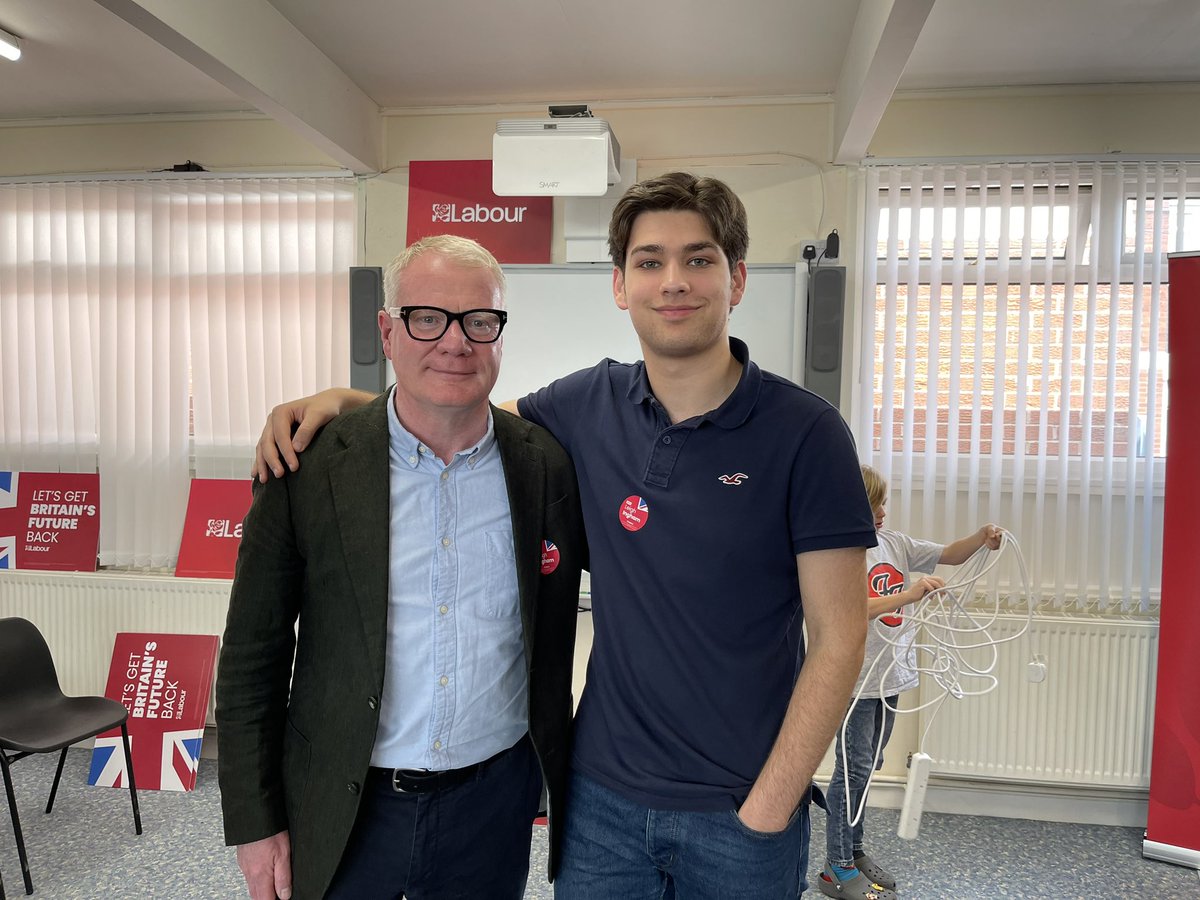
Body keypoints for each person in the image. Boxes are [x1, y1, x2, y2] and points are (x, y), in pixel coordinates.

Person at [253, 172, 877, 899]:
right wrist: (346, 402)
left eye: (698, 259)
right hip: (601, 805)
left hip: (741, 812)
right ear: (620, 284)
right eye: (649, 262)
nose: (673, 281)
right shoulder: (585, 403)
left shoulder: (807, 434)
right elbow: (457, 416)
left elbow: (840, 638)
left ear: (736, 279)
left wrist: (769, 807)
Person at [215, 235, 587, 900]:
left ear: (500, 335)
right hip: (344, 805)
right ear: (388, 332)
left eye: (479, 321)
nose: (455, 342)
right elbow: (252, 653)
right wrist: (254, 821)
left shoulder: (545, 466)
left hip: (493, 808)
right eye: (426, 318)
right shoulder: (307, 466)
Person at [817, 464, 1002, 900]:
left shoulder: (895, 543)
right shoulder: (840, 553)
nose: (883, 511)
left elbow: (952, 554)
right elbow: (848, 610)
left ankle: (854, 851)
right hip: (856, 681)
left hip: (891, 677)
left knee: (868, 768)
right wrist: (911, 594)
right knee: (851, 772)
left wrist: (982, 537)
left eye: (883, 503)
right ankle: (836, 867)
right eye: (875, 504)